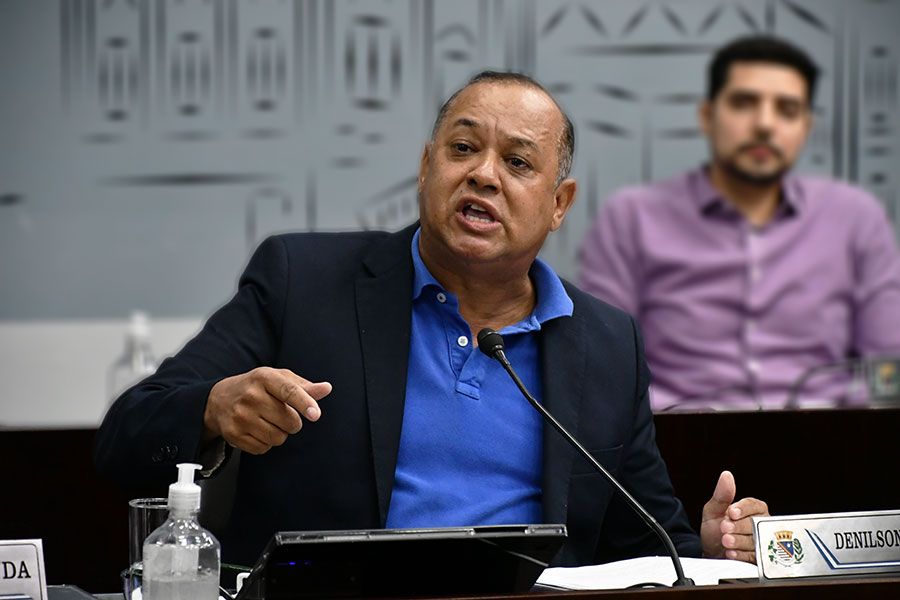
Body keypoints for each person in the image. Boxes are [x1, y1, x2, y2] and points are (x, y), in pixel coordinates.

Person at [95, 71, 768, 568]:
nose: (483, 175)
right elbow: (126, 434)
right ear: (426, 167)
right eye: (463, 149)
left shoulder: (607, 344)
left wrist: (712, 552)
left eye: (517, 162)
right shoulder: (303, 282)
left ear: (559, 204)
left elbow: (650, 546)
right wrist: (213, 410)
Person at [579, 36, 900, 411]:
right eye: (744, 103)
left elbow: (887, 369)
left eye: (787, 110)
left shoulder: (855, 218)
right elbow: (604, 367)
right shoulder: (631, 217)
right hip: (678, 433)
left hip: (830, 434)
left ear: (806, 127)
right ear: (707, 116)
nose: (764, 125)